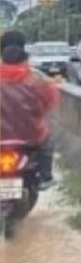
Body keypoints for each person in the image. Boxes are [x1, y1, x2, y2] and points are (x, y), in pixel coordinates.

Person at [0, 30, 59, 190]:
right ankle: (45, 177)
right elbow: (50, 102)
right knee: (47, 140)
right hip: (30, 135)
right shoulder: (37, 78)